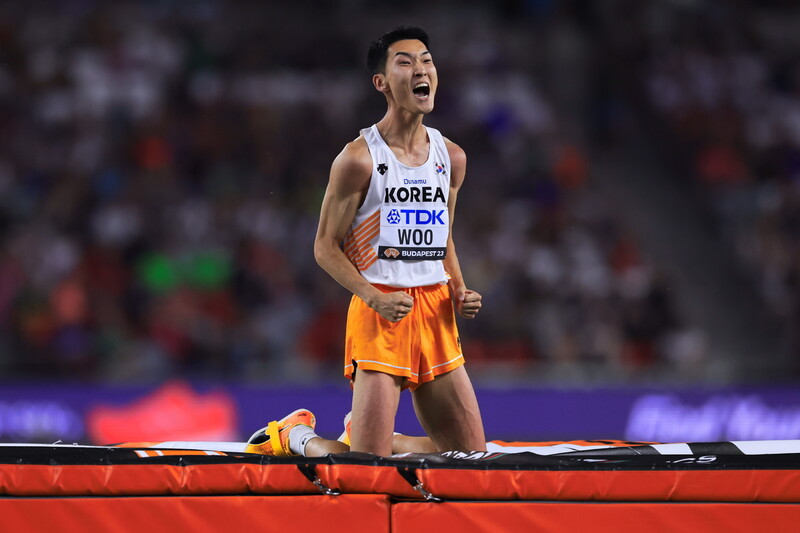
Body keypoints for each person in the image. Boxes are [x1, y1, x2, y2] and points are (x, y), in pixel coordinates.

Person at [278, 26, 486, 457]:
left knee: (470, 459)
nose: (421, 69)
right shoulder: (358, 158)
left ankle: (377, 440)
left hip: (436, 312)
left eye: (427, 60)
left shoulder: (453, 157)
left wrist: (460, 287)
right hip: (382, 311)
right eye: (405, 62)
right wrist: (374, 297)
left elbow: (442, 236)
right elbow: (324, 247)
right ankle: (294, 437)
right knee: (367, 472)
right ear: (382, 83)